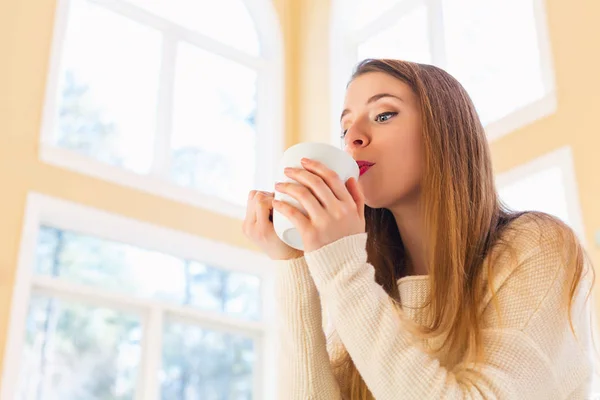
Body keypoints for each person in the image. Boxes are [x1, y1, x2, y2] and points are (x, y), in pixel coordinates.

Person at [242, 58, 595, 399]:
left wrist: (340, 266)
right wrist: (293, 265)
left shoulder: (537, 246)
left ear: (445, 131)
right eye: (345, 129)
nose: (353, 140)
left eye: (383, 115)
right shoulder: (369, 290)